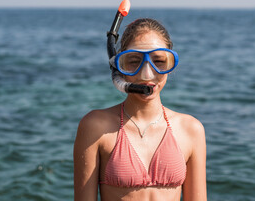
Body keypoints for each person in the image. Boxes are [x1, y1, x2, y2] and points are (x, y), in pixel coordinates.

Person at [74, 18, 207, 201]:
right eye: (134, 61)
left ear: (170, 65)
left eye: (159, 61)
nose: (147, 75)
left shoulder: (191, 129)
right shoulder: (96, 127)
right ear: (119, 67)